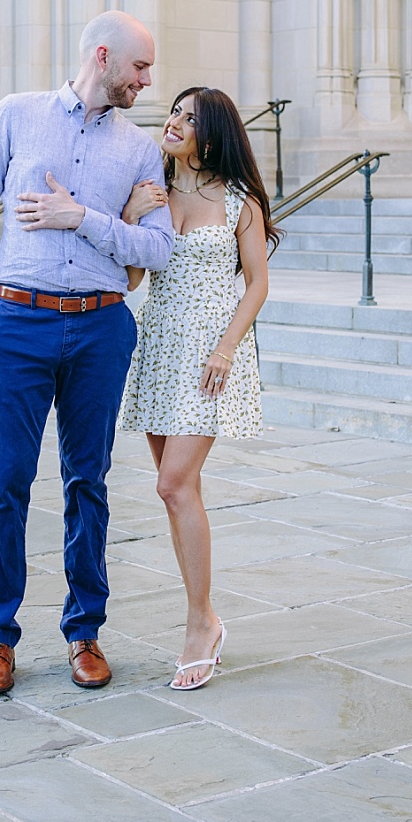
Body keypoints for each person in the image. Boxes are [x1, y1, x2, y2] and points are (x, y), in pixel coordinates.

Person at [0, 10, 174, 696]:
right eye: (140, 68)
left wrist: (82, 216)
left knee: (89, 482)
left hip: (100, 326)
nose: (146, 80)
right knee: (7, 483)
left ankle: (85, 631)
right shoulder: (16, 115)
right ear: (103, 56)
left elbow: (160, 248)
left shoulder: (140, 150)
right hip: (16, 322)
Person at [117, 86, 278, 690]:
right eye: (175, 112)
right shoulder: (154, 189)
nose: (176, 122)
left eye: (190, 117)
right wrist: (133, 217)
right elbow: (134, 277)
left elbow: (258, 283)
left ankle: (197, 625)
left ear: (213, 134)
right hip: (158, 350)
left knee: (172, 482)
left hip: (211, 358)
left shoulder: (240, 201)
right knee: (177, 494)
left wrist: (226, 348)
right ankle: (205, 614)